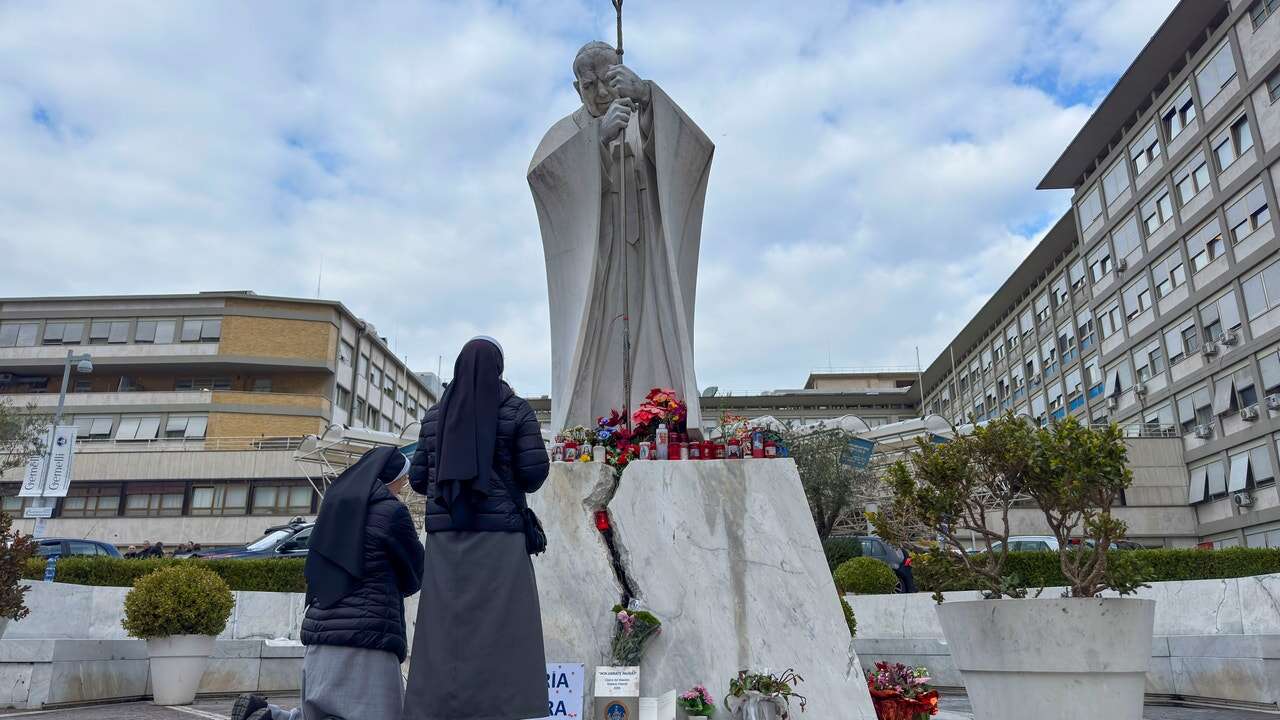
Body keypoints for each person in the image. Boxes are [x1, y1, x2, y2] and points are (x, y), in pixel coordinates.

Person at [529, 41, 714, 432]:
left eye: (607, 81)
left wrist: (647, 99)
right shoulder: (566, 131)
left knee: (653, 325)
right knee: (600, 334)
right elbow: (545, 179)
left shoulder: (642, 111)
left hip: (647, 252)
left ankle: (657, 419)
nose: (598, 93)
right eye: (588, 85)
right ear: (575, 87)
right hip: (597, 258)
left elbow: (693, 152)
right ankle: (594, 424)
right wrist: (594, 141)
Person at [401, 337, 551, 720]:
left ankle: (441, 708)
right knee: (506, 629)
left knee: (444, 628)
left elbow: (418, 480)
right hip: (500, 539)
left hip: (446, 539)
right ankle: (504, 708)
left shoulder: (435, 417)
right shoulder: (517, 411)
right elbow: (534, 475)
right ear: (500, 368)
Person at [232, 446, 424, 720]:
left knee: (318, 713)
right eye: (401, 480)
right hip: (368, 639)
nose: (402, 486)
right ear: (390, 478)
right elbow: (416, 570)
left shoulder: (333, 506)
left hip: (319, 633)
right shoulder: (392, 512)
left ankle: (270, 717)